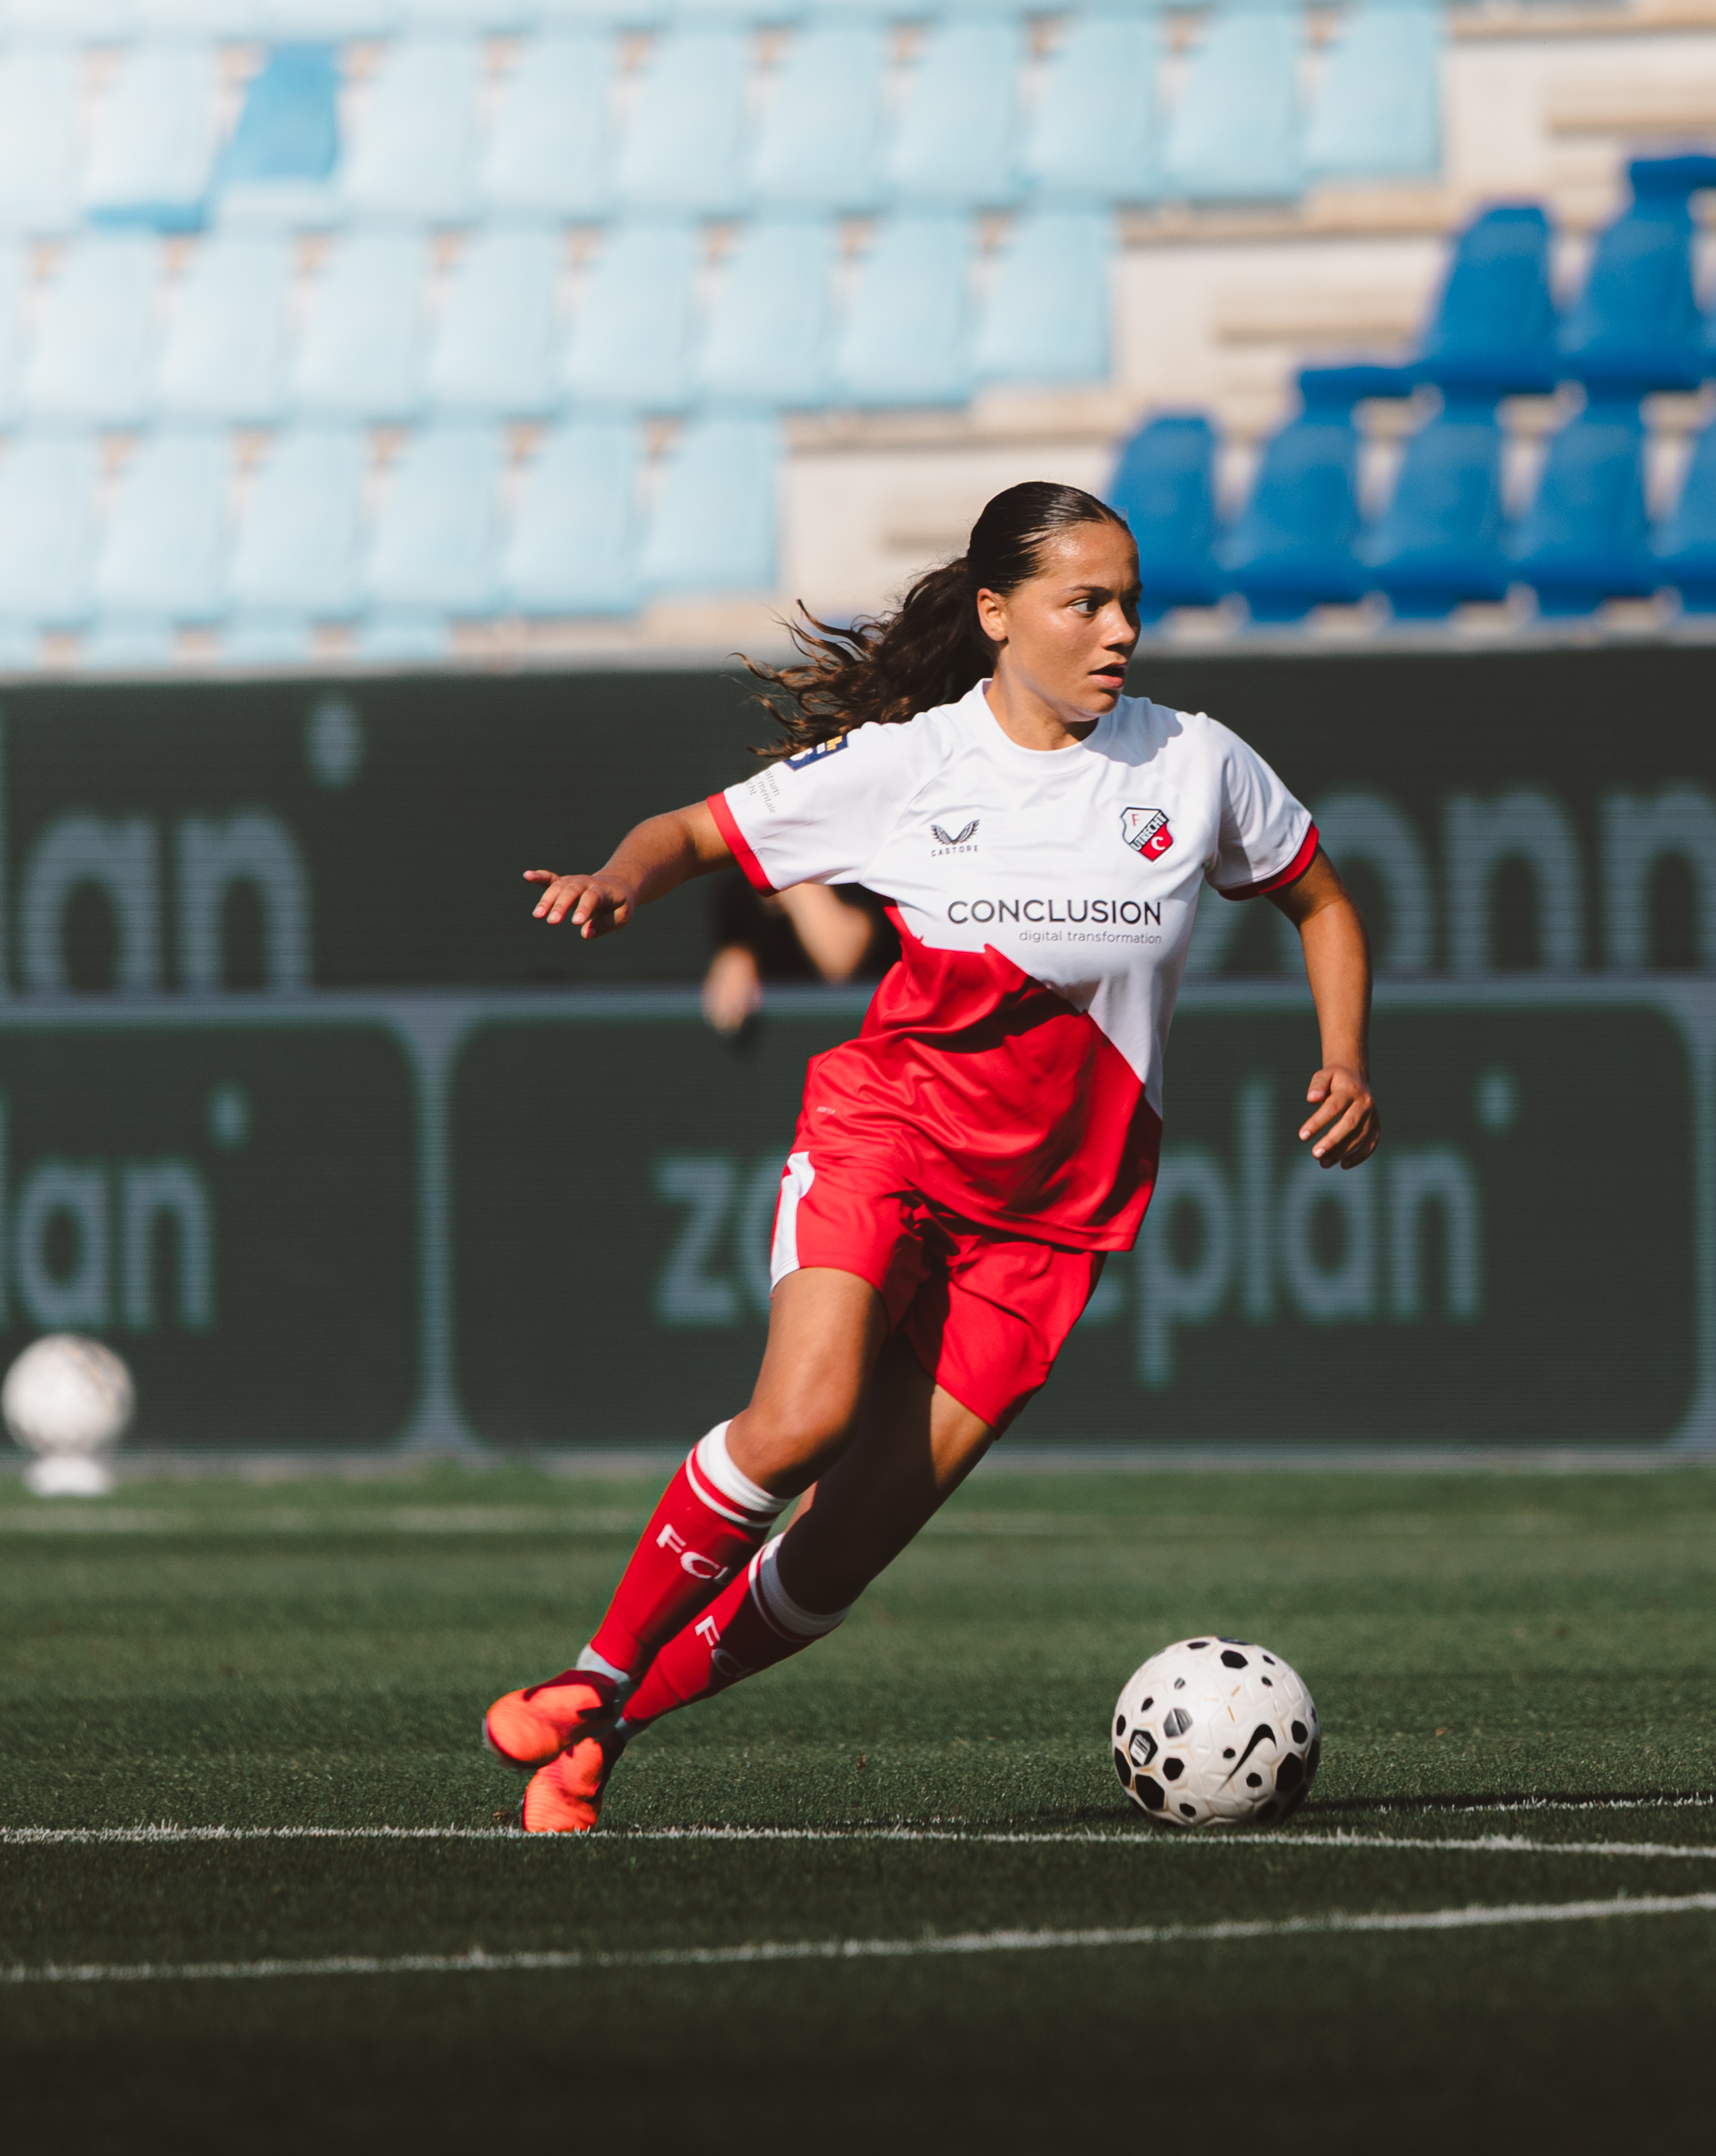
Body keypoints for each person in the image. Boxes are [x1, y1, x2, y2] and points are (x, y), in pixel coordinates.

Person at [484, 481, 1378, 1832]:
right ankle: (596, 1666)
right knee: (802, 1419)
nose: (1120, 628)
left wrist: (1347, 1059)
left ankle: (607, 1725)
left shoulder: (1195, 764)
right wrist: (619, 880)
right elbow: (691, 834)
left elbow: (1320, 900)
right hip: (889, 1139)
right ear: (996, 614)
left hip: (1048, 1227)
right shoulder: (914, 763)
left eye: (1131, 599)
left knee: (836, 1558)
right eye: (1086, 601)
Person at [699, 870, 896, 1036]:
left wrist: (790, 878)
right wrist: (738, 957)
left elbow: (841, 962)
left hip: (865, 1042)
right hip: (785, 1052)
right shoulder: (734, 891)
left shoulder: (858, 873)